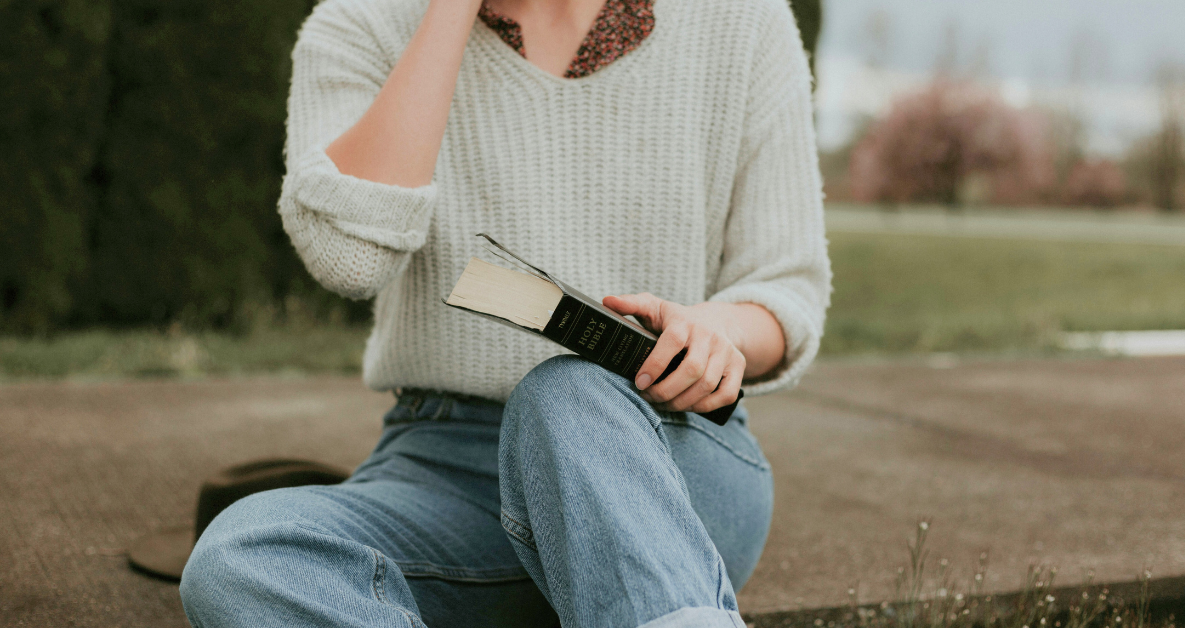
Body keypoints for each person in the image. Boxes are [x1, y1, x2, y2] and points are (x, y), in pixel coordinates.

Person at [178, 0, 830, 625]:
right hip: (448, 467)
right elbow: (349, 258)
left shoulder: (743, 18)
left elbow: (785, 288)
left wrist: (716, 334)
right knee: (242, 558)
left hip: (663, 451)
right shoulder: (358, 24)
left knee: (567, 396)